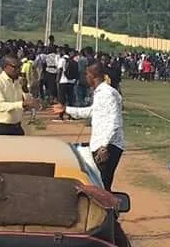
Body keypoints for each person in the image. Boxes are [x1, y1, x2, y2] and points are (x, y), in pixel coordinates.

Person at [53, 61, 125, 190]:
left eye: (87, 74)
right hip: (103, 144)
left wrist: (104, 146)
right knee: (98, 183)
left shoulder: (106, 94)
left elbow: (114, 121)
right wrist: (66, 109)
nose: (85, 77)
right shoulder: (101, 92)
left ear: (93, 76)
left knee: (101, 186)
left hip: (108, 146)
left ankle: (106, 210)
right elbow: (92, 111)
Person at [0, 54, 39, 136]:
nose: (18, 70)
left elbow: (28, 102)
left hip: (16, 126)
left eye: (20, 67)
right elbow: (0, 106)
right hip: (0, 127)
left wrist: (25, 89)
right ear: (5, 67)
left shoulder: (19, 81)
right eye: (15, 67)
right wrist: (22, 104)